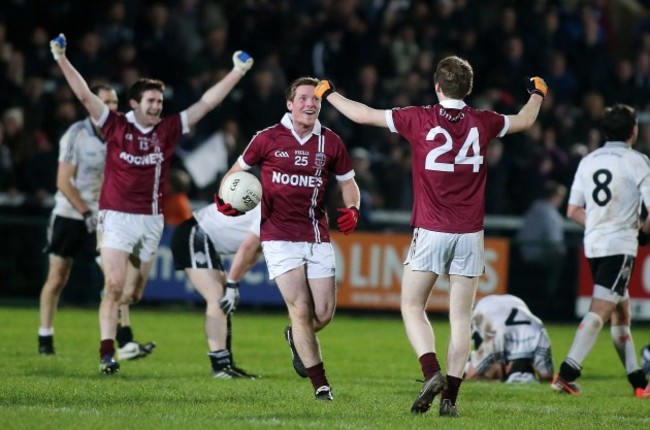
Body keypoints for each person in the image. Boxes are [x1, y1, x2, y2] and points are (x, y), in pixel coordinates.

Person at [315, 56, 547, 417]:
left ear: (437, 87)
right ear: (467, 89)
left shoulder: (418, 117)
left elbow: (363, 114)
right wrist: (537, 93)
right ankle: (450, 399)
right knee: (460, 319)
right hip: (470, 234)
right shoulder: (484, 121)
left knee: (411, 305)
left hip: (432, 229)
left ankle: (430, 372)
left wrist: (328, 93)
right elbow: (526, 119)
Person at [49, 33, 253, 374]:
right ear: (134, 104)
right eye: (151, 101)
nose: (157, 106)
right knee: (113, 285)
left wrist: (237, 72)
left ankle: (114, 319)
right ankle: (107, 354)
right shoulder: (114, 126)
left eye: (159, 101)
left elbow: (206, 104)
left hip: (150, 220)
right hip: (115, 216)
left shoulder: (168, 129)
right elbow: (84, 94)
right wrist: (60, 57)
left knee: (133, 293)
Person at [217, 76, 361, 401]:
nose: (311, 103)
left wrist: (353, 208)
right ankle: (321, 386)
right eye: (304, 98)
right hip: (278, 235)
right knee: (300, 308)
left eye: (316, 100)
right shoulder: (266, 138)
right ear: (290, 104)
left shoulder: (331, 142)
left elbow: (349, 184)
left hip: (316, 233)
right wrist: (226, 199)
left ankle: (295, 336)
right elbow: (234, 175)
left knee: (322, 314)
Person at [552, 104, 650, 398]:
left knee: (621, 313)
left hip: (593, 244)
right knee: (600, 311)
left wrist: (596, 223)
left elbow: (572, 210)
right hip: (619, 245)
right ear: (634, 130)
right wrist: (641, 232)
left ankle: (639, 383)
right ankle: (567, 374)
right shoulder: (637, 161)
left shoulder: (588, 160)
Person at [170, 202, 262, 379]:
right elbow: (248, 247)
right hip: (195, 233)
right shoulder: (273, 210)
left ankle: (226, 364)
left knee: (224, 300)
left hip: (203, 238)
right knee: (218, 298)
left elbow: (256, 251)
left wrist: (233, 283)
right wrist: (232, 284)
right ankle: (220, 366)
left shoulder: (280, 211)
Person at [464, 294, 554, 383]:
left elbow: (547, 378)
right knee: (487, 370)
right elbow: (470, 376)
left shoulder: (540, 334)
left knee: (487, 367)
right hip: (482, 309)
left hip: (515, 301)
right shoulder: (495, 341)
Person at [515, 180, 567, 318]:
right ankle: (552, 312)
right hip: (542, 260)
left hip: (524, 258)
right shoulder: (550, 214)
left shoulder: (533, 209)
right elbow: (554, 242)